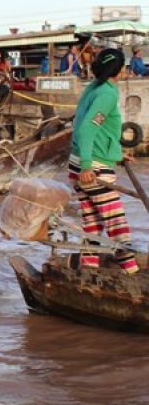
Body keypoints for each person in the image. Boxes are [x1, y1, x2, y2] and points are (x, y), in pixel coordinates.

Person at [68, 47, 138, 274]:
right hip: (92, 168)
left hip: (79, 163)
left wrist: (115, 154)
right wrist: (89, 165)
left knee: (93, 224)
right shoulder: (108, 94)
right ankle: (131, 271)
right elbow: (88, 128)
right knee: (117, 223)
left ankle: (88, 271)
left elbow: (96, 129)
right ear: (119, 69)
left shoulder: (95, 87)